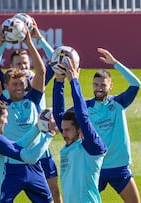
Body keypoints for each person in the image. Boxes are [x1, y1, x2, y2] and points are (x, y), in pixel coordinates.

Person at [0, 19, 62, 203]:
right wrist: (0, 45)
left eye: (25, 63)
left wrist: (37, 38)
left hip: (40, 144)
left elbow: (54, 63)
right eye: (18, 64)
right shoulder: (12, 86)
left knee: (53, 189)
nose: (23, 66)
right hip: (18, 150)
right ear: (11, 67)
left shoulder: (34, 83)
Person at [85, 48, 141, 203]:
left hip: (119, 167)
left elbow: (136, 84)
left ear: (111, 86)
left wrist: (115, 63)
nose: (99, 88)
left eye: (103, 85)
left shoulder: (118, 103)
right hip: (96, 167)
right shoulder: (85, 107)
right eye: (96, 85)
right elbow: (62, 117)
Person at [52, 56, 107, 203]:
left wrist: (74, 81)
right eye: (63, 130)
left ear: (80, 130)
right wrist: (58, 82)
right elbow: (58, 115)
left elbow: (83, 117)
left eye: (68, 130)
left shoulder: (93, 147)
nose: (63, 134)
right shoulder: (70, 145)